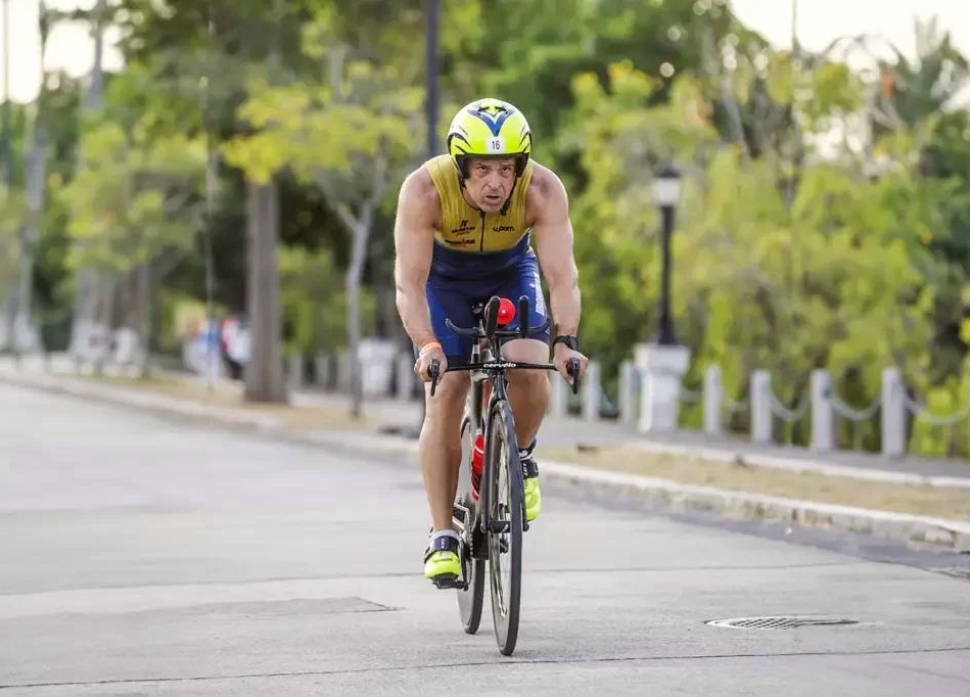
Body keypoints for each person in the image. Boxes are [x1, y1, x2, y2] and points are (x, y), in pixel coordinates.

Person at [392, 97, 589, 586]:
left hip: (510, 271)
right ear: (461, 167)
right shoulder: (424, 191)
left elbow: (561, 277)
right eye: (482, 170)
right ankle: (443, 535)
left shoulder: (542, 190)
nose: (496, 183)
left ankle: (518, 455)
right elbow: (409, 283)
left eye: (506, 169)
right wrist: (427, 345)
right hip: (446, 282)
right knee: (446, 392)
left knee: (530, 366)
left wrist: (565, 342)